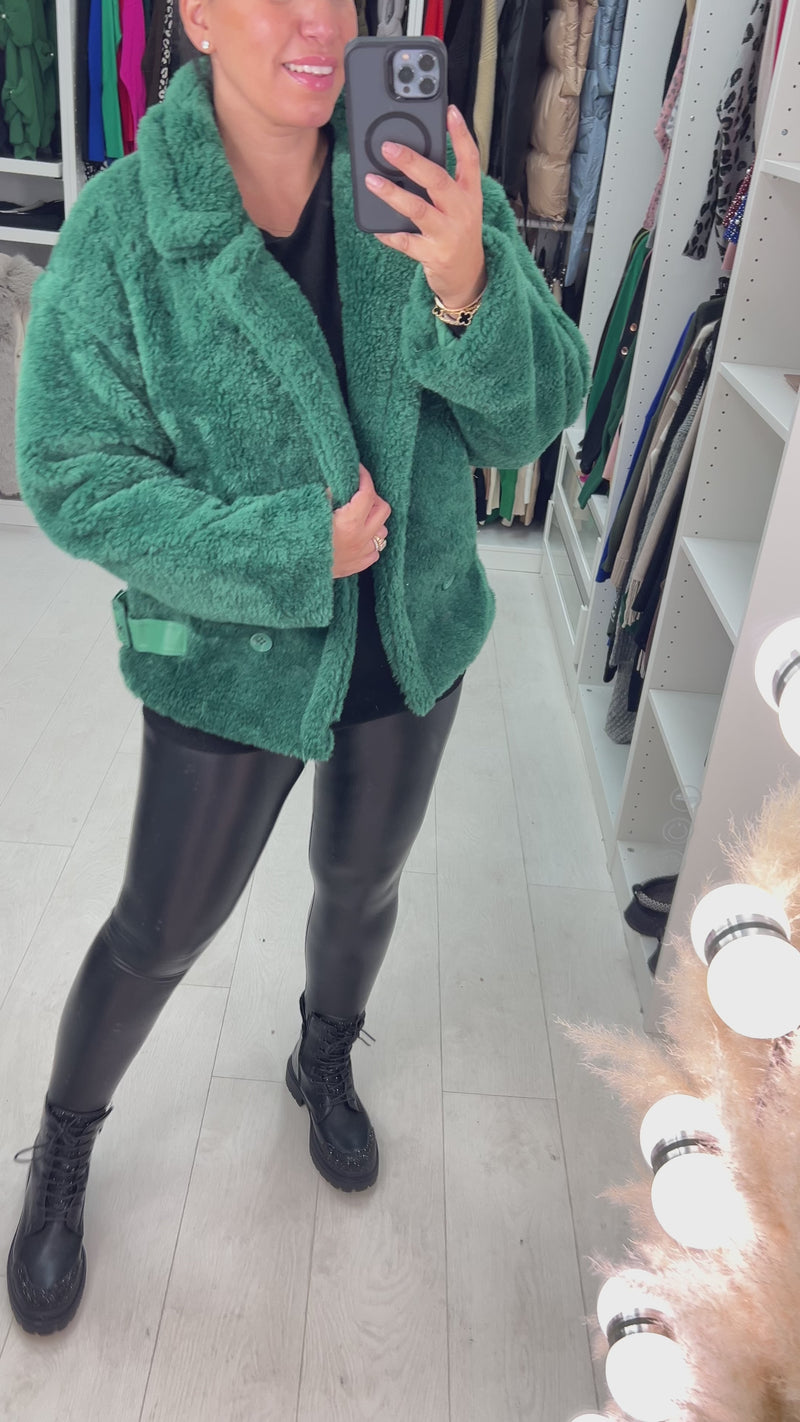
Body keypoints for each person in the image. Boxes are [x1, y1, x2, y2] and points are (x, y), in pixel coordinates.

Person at [7, 0, 589, 1337]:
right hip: (227, 656)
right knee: (161, 928)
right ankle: (65, 1143)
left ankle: (321, 1057)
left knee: (360, 884)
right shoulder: (126, 232)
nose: (318, 19)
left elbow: (538, 410)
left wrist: (468, 283)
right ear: (199, 16)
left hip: (410, 633)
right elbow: (72, 478)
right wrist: (289, 548)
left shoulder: (427, 175)